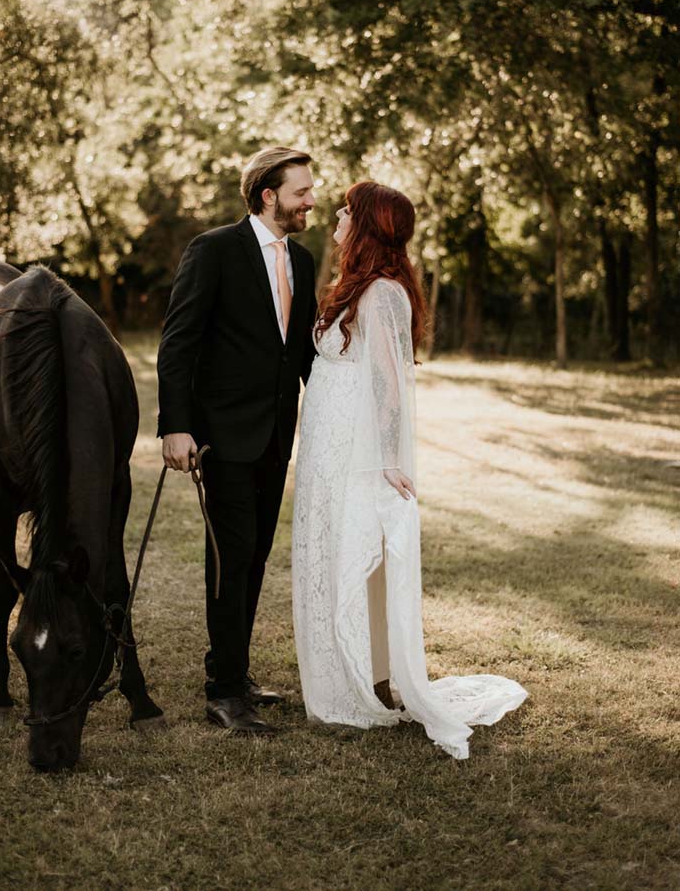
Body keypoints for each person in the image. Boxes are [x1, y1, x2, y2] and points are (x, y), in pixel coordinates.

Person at [292, 181, 527, 759]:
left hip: (357, 451)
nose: (338, 217)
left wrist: (392, 459)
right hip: (325, 447)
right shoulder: (356, 286)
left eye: (348, 211)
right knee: (328, 552)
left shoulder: (384, 294)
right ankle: (347, 673)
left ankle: (367, 679)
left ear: (368, 226)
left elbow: (393, 388)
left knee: (354, 556)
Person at [158, 147, 317, 735]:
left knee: (253, 558)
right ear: (269, 195)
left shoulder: (300, 260)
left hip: (276, 437)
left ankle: (234, 670)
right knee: (229, 561)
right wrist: (176, 426)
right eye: (301, 191)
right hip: (220, 438)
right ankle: (223, 693)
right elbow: (178, 343)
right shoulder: (214, 250)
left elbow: (300, 354)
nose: (311, 200)